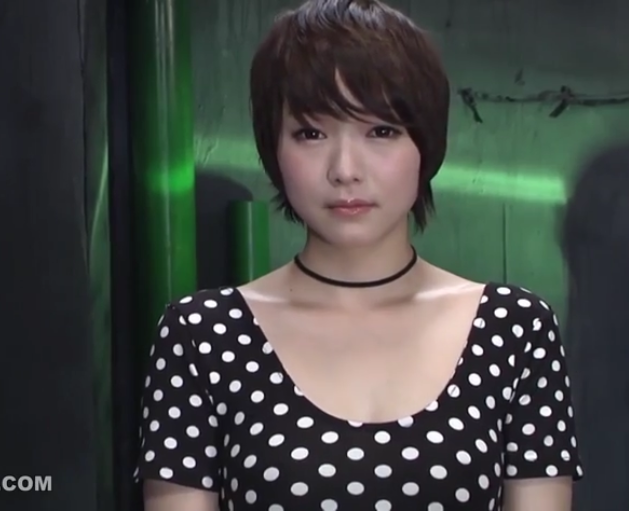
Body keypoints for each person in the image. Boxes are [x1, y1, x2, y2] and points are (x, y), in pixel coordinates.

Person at [135, 0, 583, 509]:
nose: (345, 169)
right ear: (273, 148)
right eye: (310, 133)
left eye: (381, 131)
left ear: (427, 144)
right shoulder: (202, 335)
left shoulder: (515, 329)